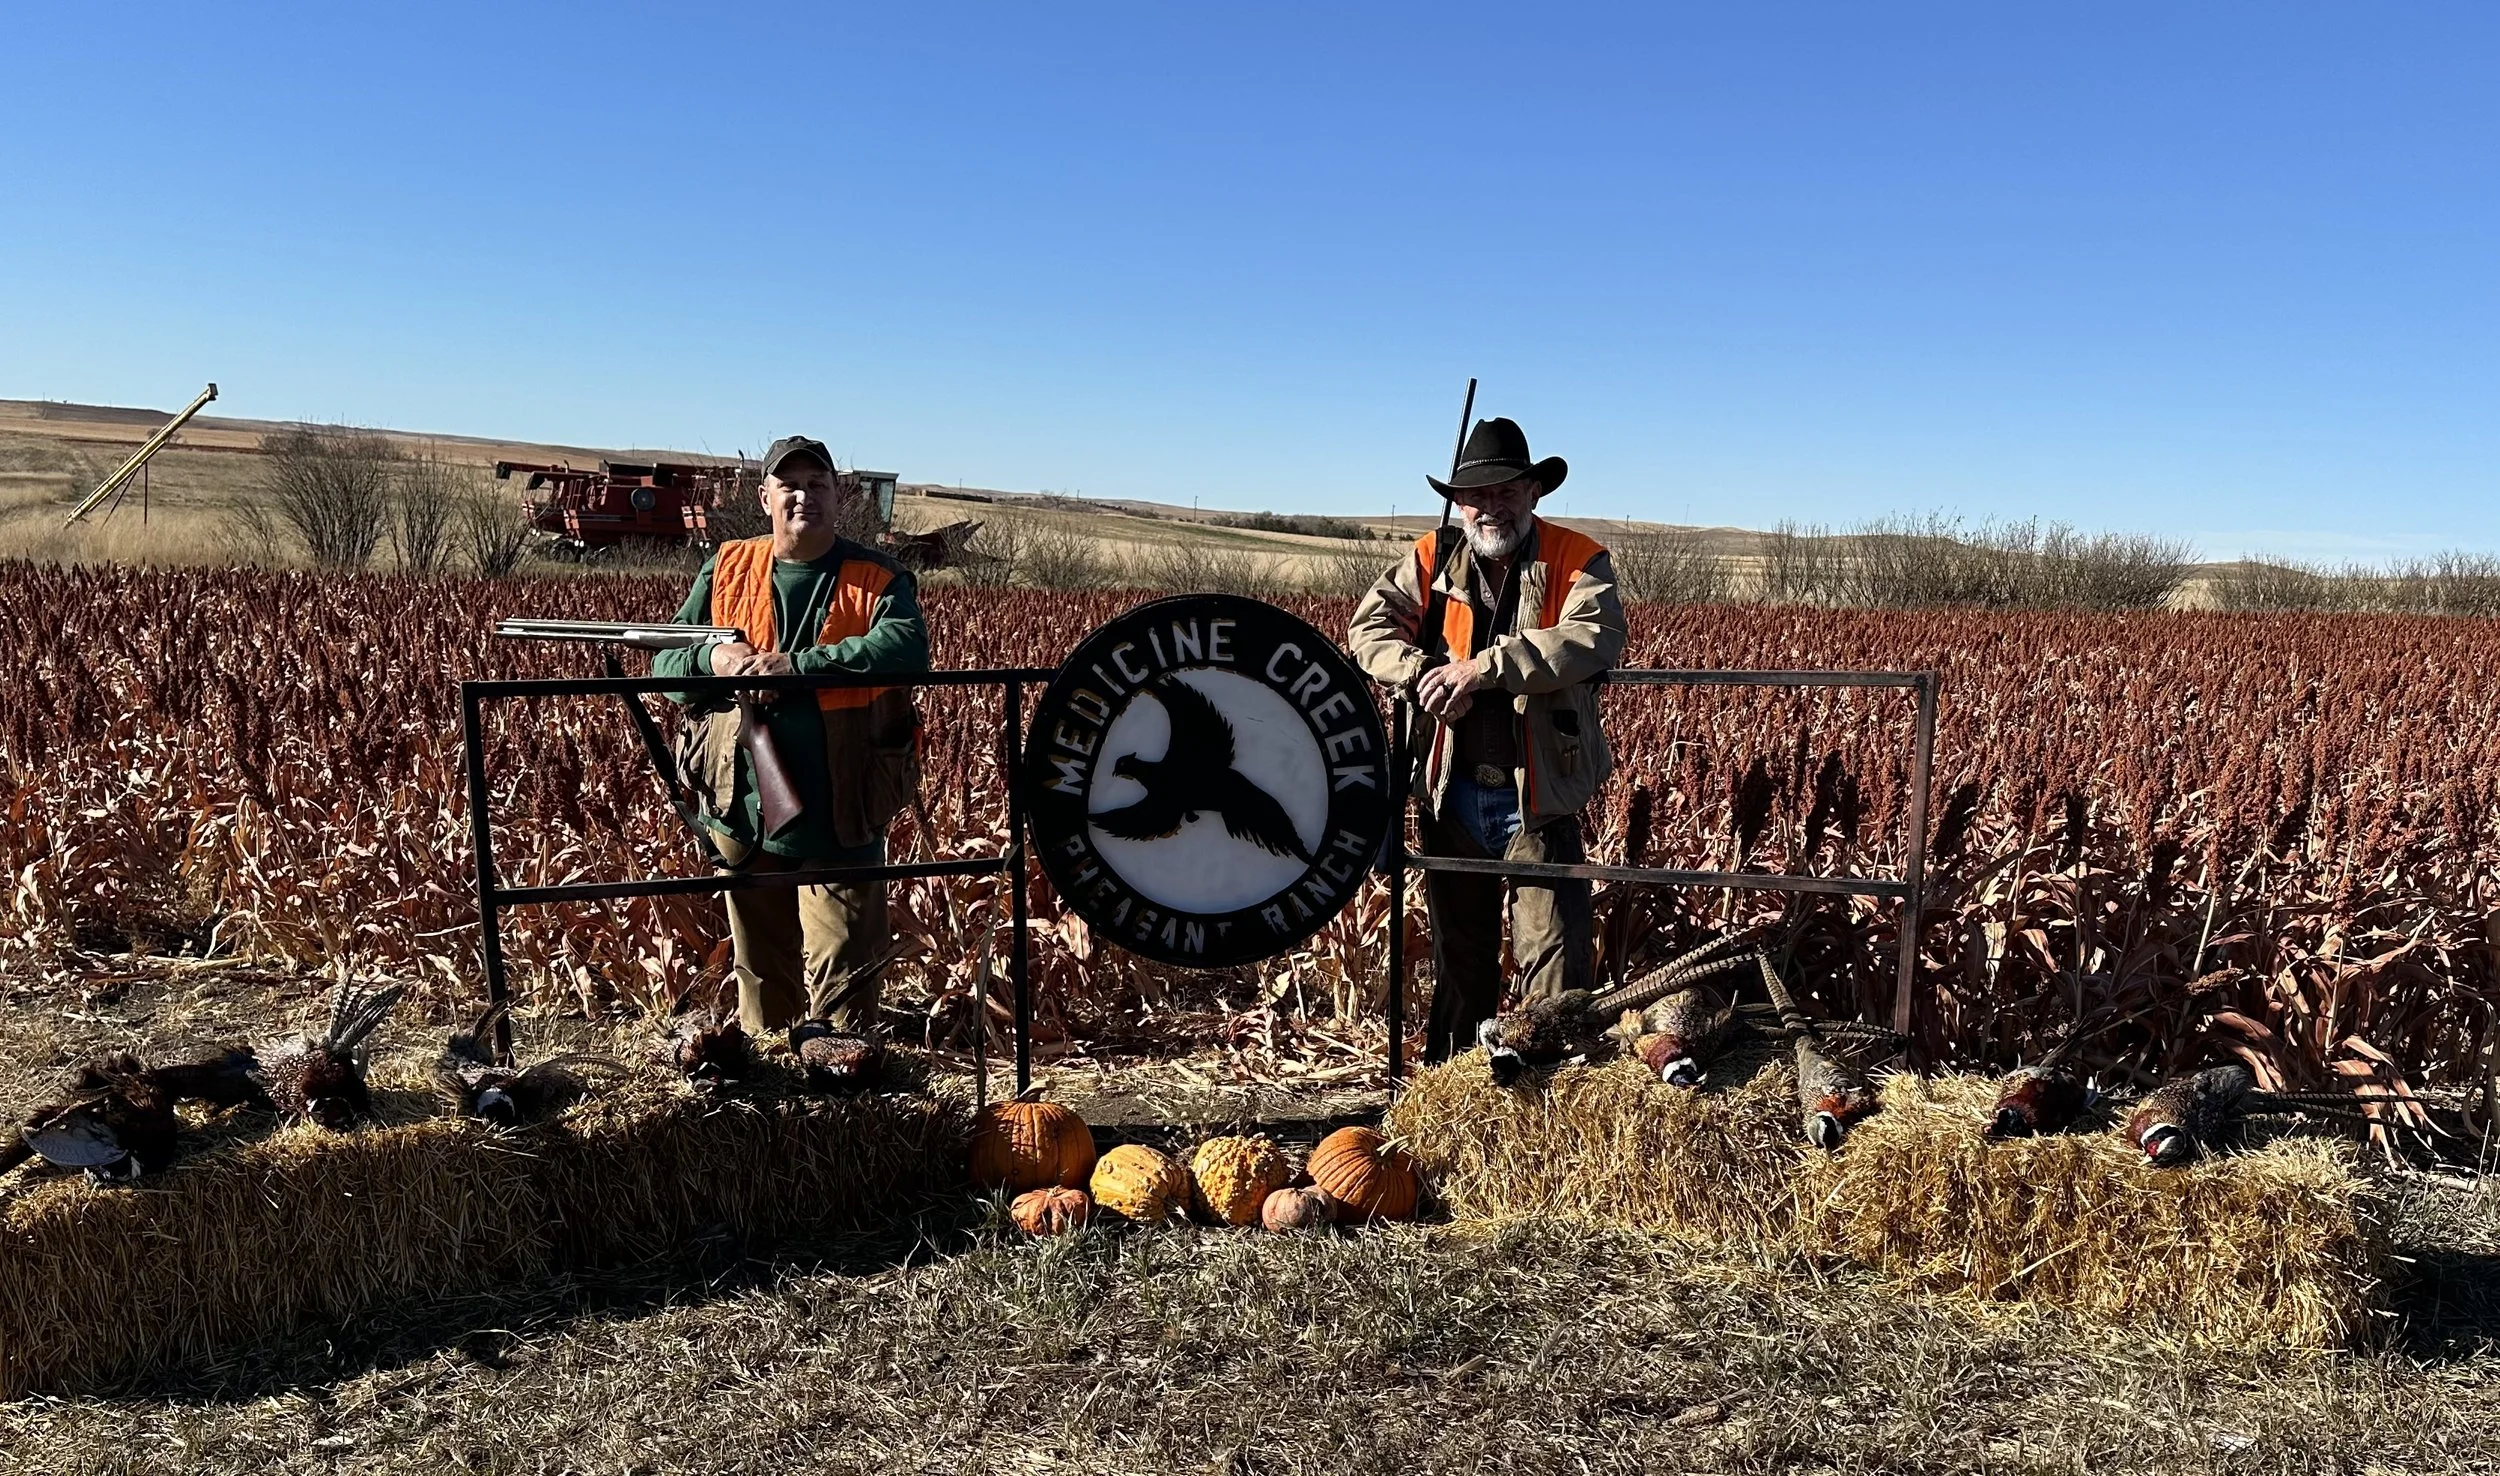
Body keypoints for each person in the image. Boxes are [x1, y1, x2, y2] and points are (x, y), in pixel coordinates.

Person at [1348, 416, 1627, 1063]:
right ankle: (1454, 1087)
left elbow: (1592, 636)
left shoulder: (1577, 558)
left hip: (1538, 797)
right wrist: (1421, 671)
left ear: (1533, 491)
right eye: (1477, 495)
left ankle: (1552, 1095)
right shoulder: (1433, 556)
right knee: (1460, 957)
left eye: (1506, 491)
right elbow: (1368, 631)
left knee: (1556, 960)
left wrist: (1483, 668)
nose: (1491, 507)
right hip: (1451, 793)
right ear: (1459, 503)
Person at [651, 435, 930, 1036]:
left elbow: (907, 649)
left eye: (817, 484)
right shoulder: (726, 566)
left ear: (838, 495)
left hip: (844, 807)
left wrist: (798, 667)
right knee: (759, 971)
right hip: (742, 806)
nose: (804, 496)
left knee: (846, 970)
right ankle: (769, 1080)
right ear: (764, 498)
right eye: (790, 485)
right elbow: (666, 662)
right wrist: (714, 660)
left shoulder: (878, 577)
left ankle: (843, 1077)